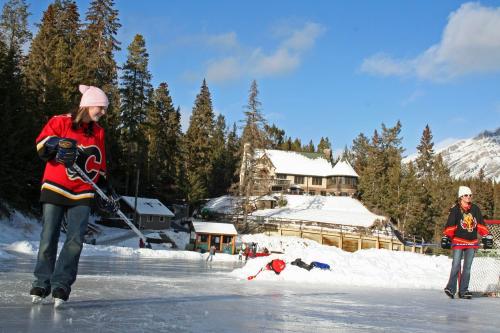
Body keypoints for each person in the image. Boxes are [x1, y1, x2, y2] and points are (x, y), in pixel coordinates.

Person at [30, 85, 113, 306]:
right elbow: (41, 146)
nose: (102, 113)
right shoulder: (60, 121)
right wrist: (57, 145)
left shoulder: (98, 132)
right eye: (101, 108)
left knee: (75, 241)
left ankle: (61, 286)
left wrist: (106, 191)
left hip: (83, 192)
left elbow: (100, 166)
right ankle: (41, 282)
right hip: (56, 187)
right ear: (88, 104)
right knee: (49, 237)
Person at [442, 186, 492, 299]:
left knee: (467, 268)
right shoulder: (455, 209)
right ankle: (451, 288)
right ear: (461, 197)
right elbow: (451, 224)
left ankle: (463, 290)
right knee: (456, 265)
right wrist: (447, 236)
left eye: (470, 195)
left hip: (471, 242)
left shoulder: (475, 209)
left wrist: (486, 235)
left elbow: (480, 224)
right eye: (466, 195)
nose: (468, 197)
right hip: (458, 241)